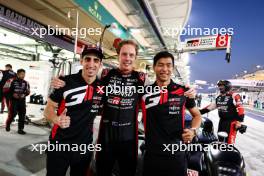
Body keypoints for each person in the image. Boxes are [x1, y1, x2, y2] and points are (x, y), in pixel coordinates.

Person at [51, 40, 196, 176]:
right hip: (106, 138)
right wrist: (62, 80)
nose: (127, 58)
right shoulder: (106, 74)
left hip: (129, 139)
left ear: (135, 58)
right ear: (118, 56)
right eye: (124, 54)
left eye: (131, 55)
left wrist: (186, 90)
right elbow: (88, 75)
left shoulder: (142, 79)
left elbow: (163, 84)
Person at [44, 45, 104, 176]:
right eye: (87, 59)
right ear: (81, 61)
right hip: (59, 145)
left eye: (96, 60)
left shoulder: (102, 88)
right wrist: (56, 119)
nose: (91, 64)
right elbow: (48, 109)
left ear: (100, 64)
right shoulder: (65, 82)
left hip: (84, 147)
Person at [141, 51, 201, 176]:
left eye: (168, 65)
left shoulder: (184, 91)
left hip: (176, 154)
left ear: (173, 68)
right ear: (154, 67)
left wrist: (193, 130)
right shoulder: (144, 92)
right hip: (152, 155)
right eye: (160, 65)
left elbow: (197, 115)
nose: (164, 69)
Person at [5, 69, 30, 134]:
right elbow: (5, 90)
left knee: (22, 115)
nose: (23, 75)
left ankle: (20, 129)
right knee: (13, 114)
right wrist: (13, 94)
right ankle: (8, 124)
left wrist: (25, 94)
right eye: (22, 74)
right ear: (18, 74)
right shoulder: (11, 81)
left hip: (22, 101)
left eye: (24, 74)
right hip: (13, 101)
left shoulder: (26, 82)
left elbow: (27, 91)